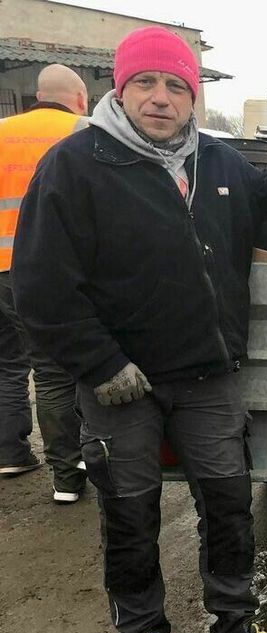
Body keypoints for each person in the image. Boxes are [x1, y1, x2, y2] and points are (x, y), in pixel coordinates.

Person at [12, 26, 267, 633]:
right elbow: (40, 286)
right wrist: (100, 364)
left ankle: (233, 621)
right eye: (144, 83)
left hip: (210, 376)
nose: (160, 98)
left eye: (177, 86)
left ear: (193, 96)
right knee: (130, 515)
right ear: (120, 91)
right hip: (122, 384)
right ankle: (144, 628)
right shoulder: (75, 166)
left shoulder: (220, 160)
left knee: (229, 506)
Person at [0, 64, 89, 505]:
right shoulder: (82, 131)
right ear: (80, 98)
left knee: (7, 364)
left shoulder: (1, 130)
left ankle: (11, 453)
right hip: (42, 269)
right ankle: (68, 476)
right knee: (54, 372)